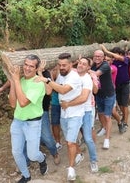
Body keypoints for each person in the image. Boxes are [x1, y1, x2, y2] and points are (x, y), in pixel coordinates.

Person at [7, 54, 48, 183]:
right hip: (18, 121)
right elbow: (13, 104)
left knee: (32, 155)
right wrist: (14, 81)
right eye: (25, 64)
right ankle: (26, 175)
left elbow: (23, 102)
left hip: (33, 123)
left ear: (36, 69)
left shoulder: (38, 82)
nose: (27, 68)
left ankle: (42, 159)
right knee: (16, 152)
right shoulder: (20, 80)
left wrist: (16, 80)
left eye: (31, 66)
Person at [45, 53, 83, 181]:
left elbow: (63, 90)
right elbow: (53, 88)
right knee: (69, 139)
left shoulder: (74, 76)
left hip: (75, 114)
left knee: (70, 142)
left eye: (64, 65)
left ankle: (71, 169)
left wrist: (46, 80)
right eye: (59, 65)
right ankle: (79, 153)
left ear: (71, 64)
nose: (61, 67)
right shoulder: (61, 75)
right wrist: (41, 74)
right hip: (64, 113)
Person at [60, 57, 99, 173]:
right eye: (80, 63)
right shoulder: (73, 74)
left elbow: (83, 98)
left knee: (87, 138)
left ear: (88, 68)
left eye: (84, 64)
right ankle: (78, 154)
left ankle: (93, 160)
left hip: (86, 111)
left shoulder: (87, 79)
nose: (80, 65)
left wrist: (68, 104)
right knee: (71, 138)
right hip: (74, 111)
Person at [90, 49, 116, 149]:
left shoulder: (105, 65)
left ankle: (107, 139)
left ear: (103, 57)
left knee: (107, 116)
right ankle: (104, 128)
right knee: (100, 114)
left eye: (99, 56)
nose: (97, 58)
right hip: (99, 95)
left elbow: (95, 74)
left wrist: (86, 70)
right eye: (95, 56)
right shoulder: (93, 65)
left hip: (108, 95)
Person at [101, 45, 130, 131]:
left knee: (125, 104)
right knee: (120, 104)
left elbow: (117, 57)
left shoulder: (125, 60)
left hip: (125, 84)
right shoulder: (113, 62)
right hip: (117, 85)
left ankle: (125, 122)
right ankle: (123, 118)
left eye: (115, 54)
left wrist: (106, 51)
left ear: (120, 54)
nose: (113, 56)